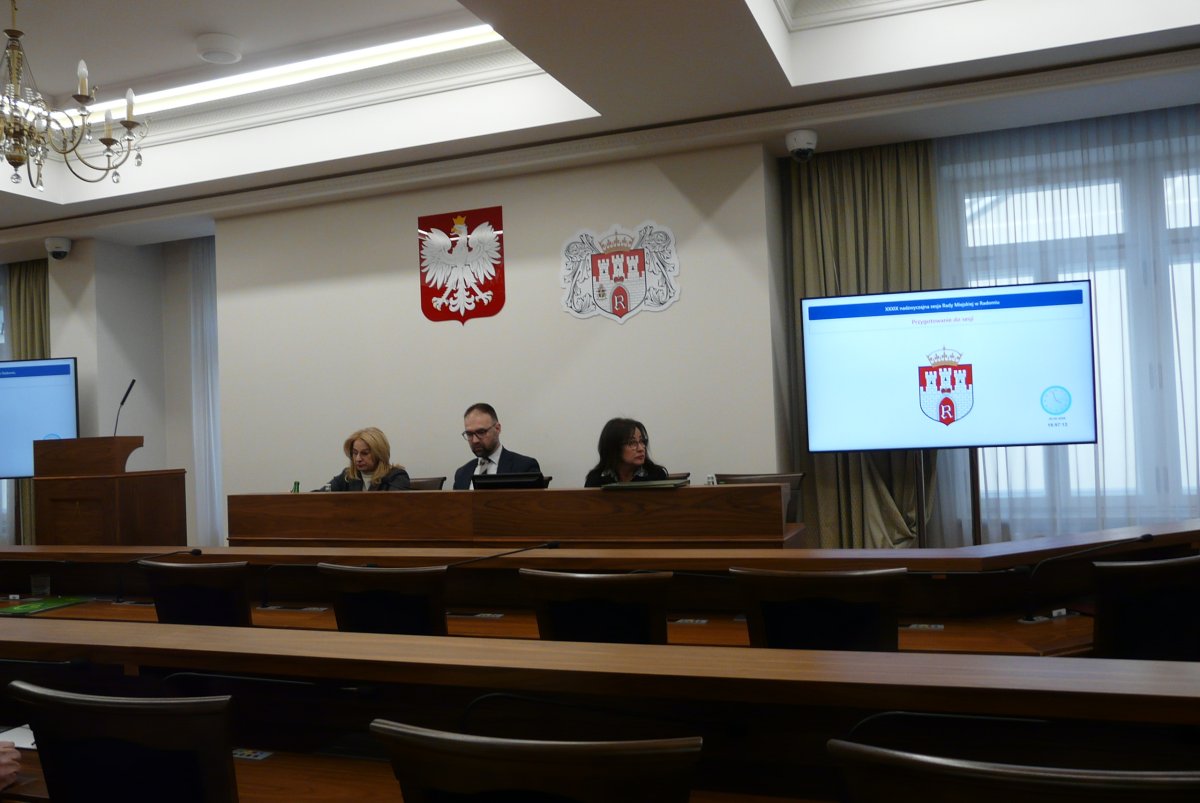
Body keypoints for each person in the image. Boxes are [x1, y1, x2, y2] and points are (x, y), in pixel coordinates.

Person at [452, 403, 541, 489]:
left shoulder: (524, 467)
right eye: (469, 434)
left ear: (497, 428)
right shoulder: (462, 474)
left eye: (481, 432)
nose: (475, 440)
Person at [584, 417, 669, 486]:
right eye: (632, 443)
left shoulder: (656, 475)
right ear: (614, 447)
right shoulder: (596, 479)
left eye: (641, 441)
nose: (641, 448)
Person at [327, 427, 411, 491]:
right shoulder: (347, 476)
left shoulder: (396, 477)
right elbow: (320, 497)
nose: (358, 459)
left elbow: (394, 506)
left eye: (365, 453)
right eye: (355, 453)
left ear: (379, 454)